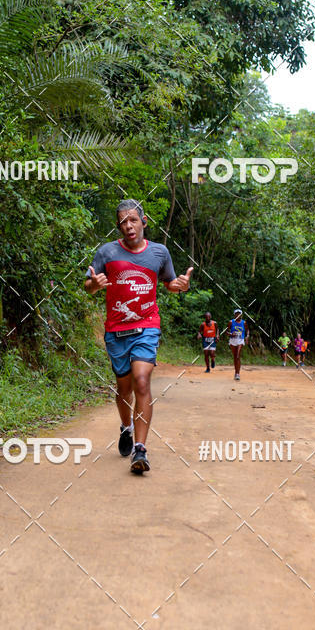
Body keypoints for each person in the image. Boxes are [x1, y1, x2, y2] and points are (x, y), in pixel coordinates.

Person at [84, 199, 193, 475]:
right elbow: (88, 285)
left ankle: (140, 450)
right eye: (122, 221)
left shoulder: (159, 252)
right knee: (124, 389)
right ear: (118, 226)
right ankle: (126, 428)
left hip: (147, 326)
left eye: (133, 220)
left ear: (144, 222)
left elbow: (169, 283)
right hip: (116, 331)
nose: (128, 225)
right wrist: (93, 285)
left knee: (142, 381)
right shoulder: (106, 252)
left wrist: (179, 286)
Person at [228, 308, 249, 380]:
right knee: (235, 357)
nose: (238, 315)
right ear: (234, 315)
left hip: (240, 340)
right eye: (236, 314)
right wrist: (231, 334)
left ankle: (237, 374)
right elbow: (227, 332)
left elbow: (247, 330)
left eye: (239, 314)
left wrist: (247, 337)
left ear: (241, 315)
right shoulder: (231, 322)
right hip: (233, 340)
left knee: (237, 356)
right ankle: (236, 371)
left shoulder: (244, 323)